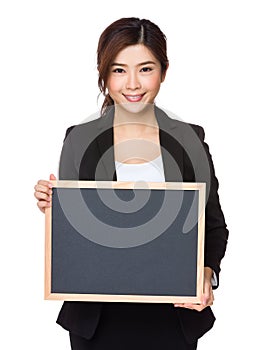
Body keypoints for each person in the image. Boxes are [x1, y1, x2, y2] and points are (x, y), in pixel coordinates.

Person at [34, 17, 229, 350]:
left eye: (146, 69)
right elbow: (78, 228)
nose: (133, 84)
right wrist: (54, 206)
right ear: (104, 74)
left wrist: (206, 274)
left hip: (172, 315)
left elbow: (213, 227)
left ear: (164, 71)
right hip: (97, 318)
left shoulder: (190, 140)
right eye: (119, 70)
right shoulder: (79, 139)